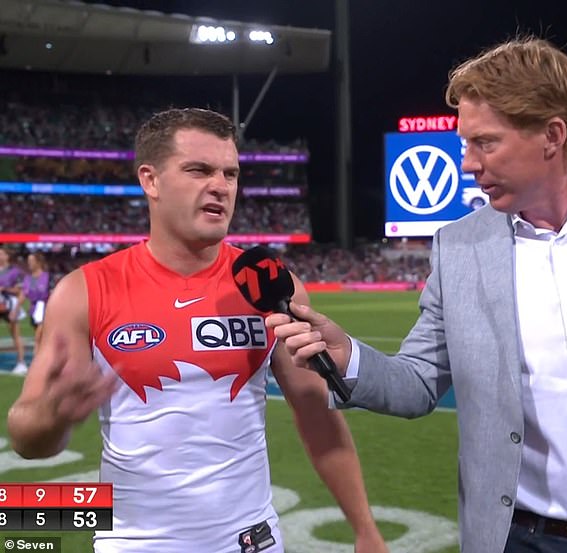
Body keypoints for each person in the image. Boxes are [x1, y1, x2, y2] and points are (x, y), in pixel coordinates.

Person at [266, 36, 567, 553]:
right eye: (466, 144)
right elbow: (418, 383)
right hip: (518, 538)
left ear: (552, 135)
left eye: (485, 142)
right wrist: (348, 356)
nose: (467, 163)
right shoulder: (460, 247)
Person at [7, 108, 387, 553]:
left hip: (252, 541)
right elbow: (26, 437)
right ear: (150, 180)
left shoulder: (272, 285)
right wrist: (55, 414)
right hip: (134, 544)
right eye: (199, 170)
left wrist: (365, 529)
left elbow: (316, 416)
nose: (220, 186)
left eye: (230, 173)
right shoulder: (83, 292)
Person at [18, 251, 51, 363]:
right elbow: (24, 293)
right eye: (28, 261)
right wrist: (17, 307)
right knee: (41, 339)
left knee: (38, 337)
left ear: (38, 262)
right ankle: (44, 360)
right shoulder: (27, 278)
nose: (29, 263)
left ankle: (36, 364)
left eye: (31, 261)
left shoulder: (47, 277)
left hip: (45, 309)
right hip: (33, 310)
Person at [0, 246, 27, 374]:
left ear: (7, 256)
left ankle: (21, 362)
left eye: (1, 254)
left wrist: (5, 289)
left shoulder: (14, 271)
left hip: (9, 304)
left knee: (15, 335)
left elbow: (20, 290)